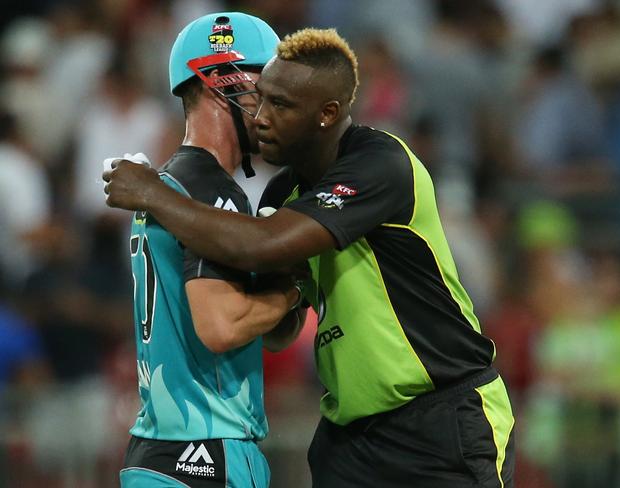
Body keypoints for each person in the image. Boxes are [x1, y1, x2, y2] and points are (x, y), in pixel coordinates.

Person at [105, 28, 515, 487]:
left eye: (279, 105)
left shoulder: (380, 162)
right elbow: (280, 331)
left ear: (327, 113)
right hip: (350, 436)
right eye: (260, 100)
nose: (261, 117)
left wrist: (154, 194)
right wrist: (291, 290)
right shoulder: (283, 192)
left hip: (439, 416)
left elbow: (260, 245)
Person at [114, 13, 307, 488]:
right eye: (266, 88)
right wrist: (297, 290)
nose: (273, 108)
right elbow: (222, 326)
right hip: (206, 453)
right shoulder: (209, 190)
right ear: (221, 83)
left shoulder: (169, 184)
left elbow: (268, 334)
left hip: (159, 451)